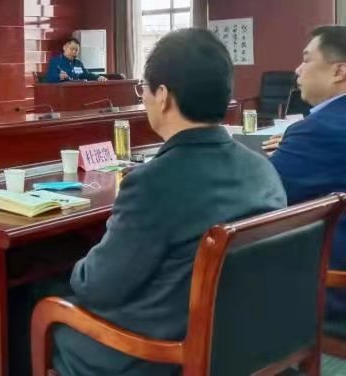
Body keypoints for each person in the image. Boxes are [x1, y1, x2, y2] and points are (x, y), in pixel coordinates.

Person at [49, 28, 286, 376]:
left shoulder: (153, 182)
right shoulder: (262, 168)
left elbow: (97, 287)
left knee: (36, 304)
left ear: (162, 96)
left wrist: (75, 264)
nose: (143, 96)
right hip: (240, 343)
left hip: (160, 355)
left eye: (143, 87)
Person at [263, 25, 346, 324]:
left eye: (307, 59)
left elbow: (261, 197)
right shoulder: (315, 131)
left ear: (339, 71)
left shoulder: (317, 132)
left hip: (329, 290)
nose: (298, 70)